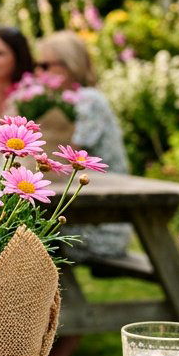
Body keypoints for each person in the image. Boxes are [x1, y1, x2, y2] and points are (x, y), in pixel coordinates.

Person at [36, 30, 130, 259]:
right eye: (38, 65)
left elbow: (69, 155)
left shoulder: (89, 100)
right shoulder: (62, 102)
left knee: (24, 235)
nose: (40, 73)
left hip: (102, 224)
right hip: (79, 214)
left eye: (47, 66)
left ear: (71, 66)